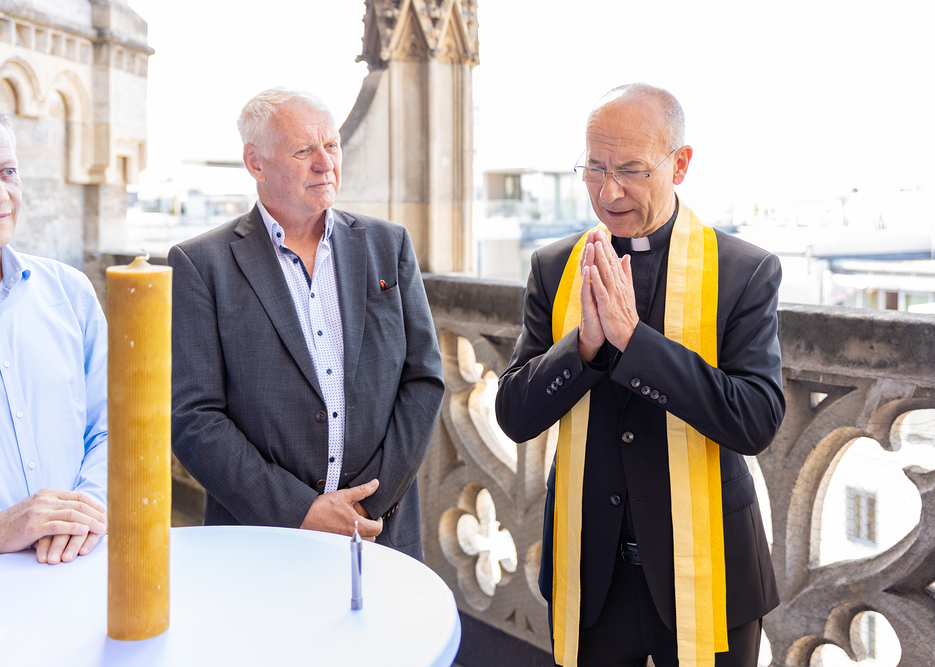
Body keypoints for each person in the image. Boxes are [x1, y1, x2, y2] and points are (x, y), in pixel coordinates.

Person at [496, 84, 784, 667]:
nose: (609, 191)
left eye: (631, 170)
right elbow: (515, 415)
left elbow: (755, 421)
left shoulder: (746, 272)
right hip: (591, 572)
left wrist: (634, 343)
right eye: (594, 169)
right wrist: (582, 348)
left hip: (711, 568)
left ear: (680, 164)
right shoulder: (555, 267)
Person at [169, 89, 444, 560]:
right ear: (255, 162)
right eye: (303, 151)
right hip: (261, 542)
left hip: (380, 532)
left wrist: (365, 505)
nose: (325, 163)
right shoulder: (200, 264)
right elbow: (193, 417)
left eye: (331, 146)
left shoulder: (389, 244)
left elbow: (423, 379)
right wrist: (301, 511)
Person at [0, 111, 109, 565]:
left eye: (7, 172)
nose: (3, 195)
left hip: (79, 567)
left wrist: (84, 511)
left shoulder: (71, 292)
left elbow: (111, 428)